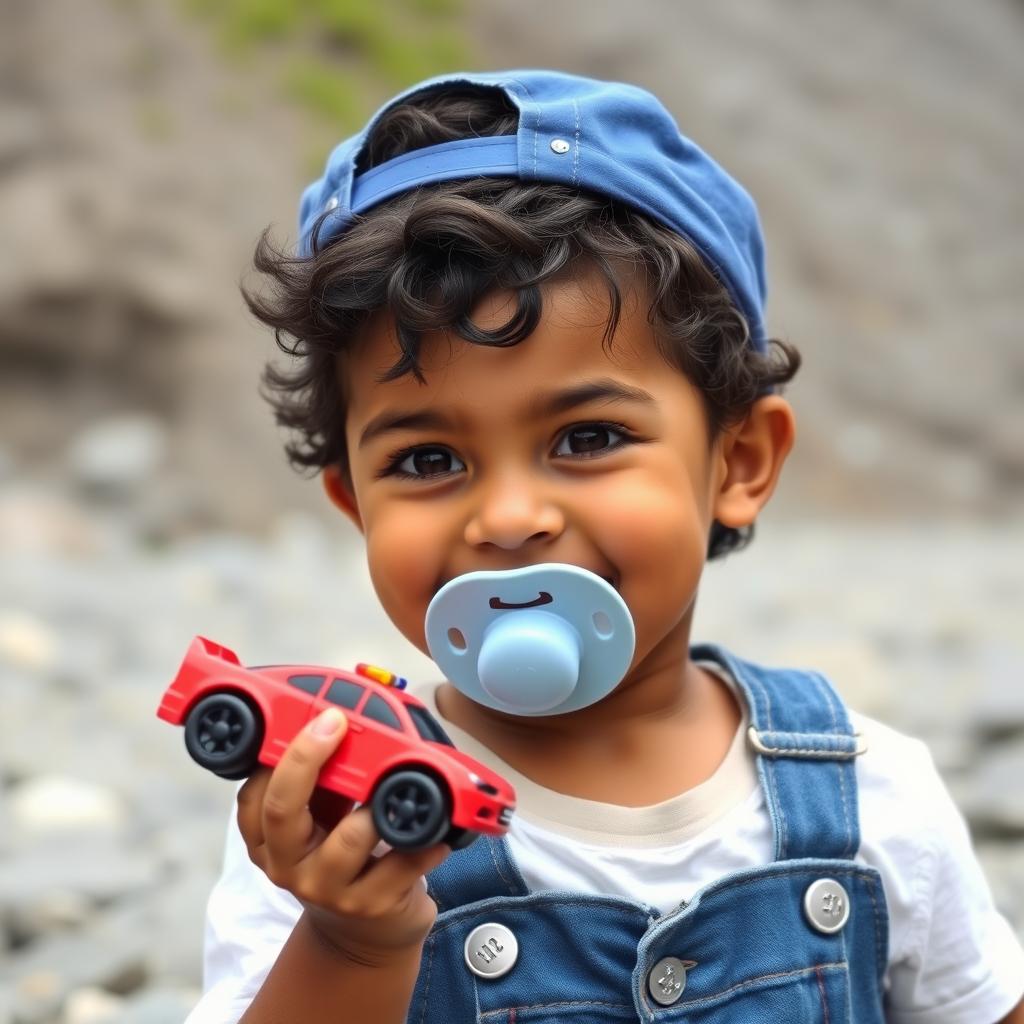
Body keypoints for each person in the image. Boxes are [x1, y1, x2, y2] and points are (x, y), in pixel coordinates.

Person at [185, 71, 1024, 1023]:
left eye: (586, 439)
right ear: (355, 502)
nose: (507, 516)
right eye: (426, 458)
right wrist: (349, 941)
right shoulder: (332, 816)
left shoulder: (877, 794)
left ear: (738, 461)